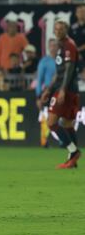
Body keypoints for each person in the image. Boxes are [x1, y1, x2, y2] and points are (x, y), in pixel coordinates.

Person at [41, 19, 81, 169]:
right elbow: (59, 73)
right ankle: (73, 160)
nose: (58, 31)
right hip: (67, 90)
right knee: (67, 124)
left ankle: (74, 151)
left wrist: (62, 89)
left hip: (67, 90)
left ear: (66, 30)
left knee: (51, 123)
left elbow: (69, 69)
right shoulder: (60, 46)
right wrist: (48, 89)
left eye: (61, 29)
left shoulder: (69, 45)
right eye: (56, 29)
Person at [36, 38, 57, 148]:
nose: (53, 48)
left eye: (55, 45)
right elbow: (39, 79)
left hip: (60, 91)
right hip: (48, 91)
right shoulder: (45, 61)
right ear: (49, 47)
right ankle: (44, 141)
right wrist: (38, 96)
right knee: (45, 115)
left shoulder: (62, 60)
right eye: (51, 46)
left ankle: (61, 140)